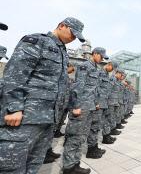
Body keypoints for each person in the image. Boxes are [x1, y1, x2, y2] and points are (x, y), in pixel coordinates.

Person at [0, 17, 85, 174]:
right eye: (72, 34)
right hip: (25, 118)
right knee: (12, 166)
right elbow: (15, 74)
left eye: (76, 37)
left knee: (34, 164)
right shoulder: (37, 41)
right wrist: (14, 107)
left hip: (48, 119)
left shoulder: (62, 53)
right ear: (61, 26)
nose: (73, 39)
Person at [62, 47, 108, 174]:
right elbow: (77, 86)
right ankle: (68, 168)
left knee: (81, 137)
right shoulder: (85, 66)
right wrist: (76, 106)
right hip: (81, 107)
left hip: (89, 107)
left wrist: (96, 103)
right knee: (74, 136)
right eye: (101, 56)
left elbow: (95, 89)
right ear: (95, 53)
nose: (102, 59)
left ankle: (74, 164)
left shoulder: (94, 68)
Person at [44, 65, 75, 164]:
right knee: (49, 128)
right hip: (54, 104)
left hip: (61, 103)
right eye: (72, 69)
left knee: (53, 127)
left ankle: (47, 150)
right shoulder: (60, 74)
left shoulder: (65, 76)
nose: (72, 71)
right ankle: (44, 152)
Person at [86, 60, 117, 155]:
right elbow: (95, 88)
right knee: (94, 126)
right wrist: (95, 102)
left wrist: (106, 102)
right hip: (98, 104)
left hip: (103, 104)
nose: (112, 71)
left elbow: (106, 92)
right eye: (112, 68)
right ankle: (91, 149)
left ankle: (94, 146)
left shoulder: (106, 75)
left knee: (98, 125)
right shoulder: (99, 73)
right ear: (109, 64)